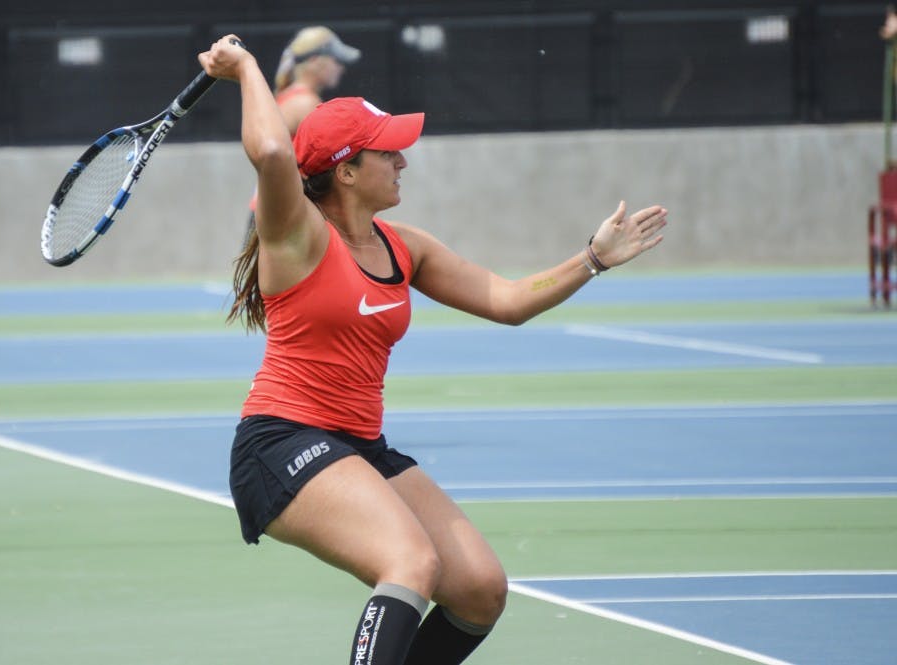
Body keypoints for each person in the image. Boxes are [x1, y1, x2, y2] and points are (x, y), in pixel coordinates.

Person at [198, 35, 667, 665]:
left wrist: (591, 259)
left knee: (479, 590)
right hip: (281, 442)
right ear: (345, 170)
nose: (403, 161)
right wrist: (247, 68)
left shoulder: (403, 245)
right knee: (410, 562)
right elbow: (275, 151)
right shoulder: (297, 234)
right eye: (387, 151)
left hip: (359, 445)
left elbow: (506, 299)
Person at [241, 26, 361, 245]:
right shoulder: (305, 104)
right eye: (336, 60)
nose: (341, 68)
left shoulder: (288, 97)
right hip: (281, 217)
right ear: (315, 60)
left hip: (271, 212)